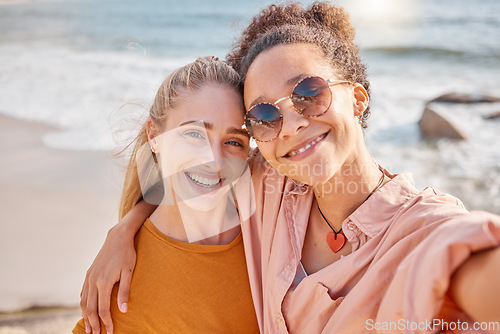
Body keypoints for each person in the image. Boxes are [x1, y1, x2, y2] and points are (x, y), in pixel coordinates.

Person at [81, 3, 500, 334]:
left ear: (356, 99)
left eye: (308, 92)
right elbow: (185, 171)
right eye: (265, 115)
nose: (293, 125)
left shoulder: (423, 226)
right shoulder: (269, 185)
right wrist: (125, 228)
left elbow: (463, 257)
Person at [73, 57, 259, 333]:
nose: (215, 161)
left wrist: (127, 224)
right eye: (195, 134)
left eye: (233, 142)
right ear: (154, 135)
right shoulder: (120, 282)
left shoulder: (267, 226)